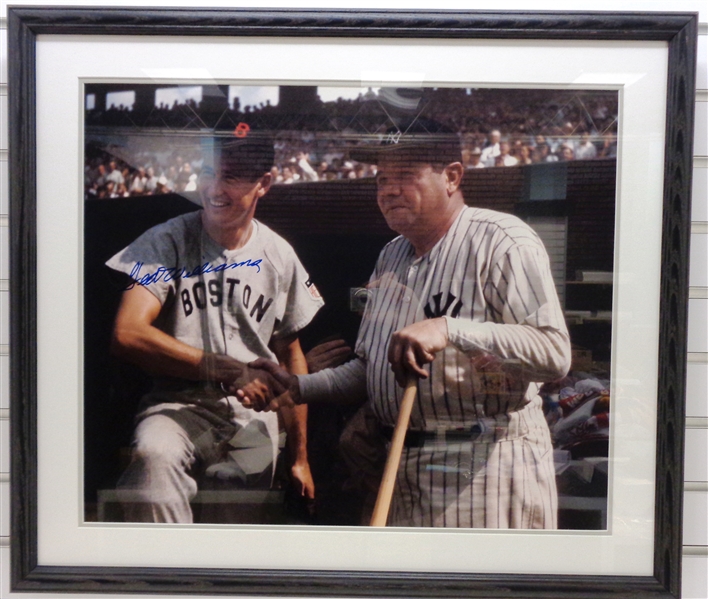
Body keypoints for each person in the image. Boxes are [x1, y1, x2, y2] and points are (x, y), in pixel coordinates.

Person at [240, 120, 571, 529]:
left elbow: (554, 354)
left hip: (487, 461)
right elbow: (371, 369)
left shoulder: (502, 240)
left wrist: (449, 328)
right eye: (382, 179)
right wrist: (299, 386)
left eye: (406, 176)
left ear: (451, 177)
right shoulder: (391, 255)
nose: (389, 190)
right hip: (404, 465)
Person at [106, 132, 323, 523]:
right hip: (177, 404)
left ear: (265, 183)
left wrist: (300, 458)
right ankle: (167, 578)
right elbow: (128, 333)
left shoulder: (279, 254)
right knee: (153, 458)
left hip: (253, 421)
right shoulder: (166, 239)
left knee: (232, 532)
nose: (215, 188)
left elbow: (292, 356)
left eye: (233, 177)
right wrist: (226, 368)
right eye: (208, 172)